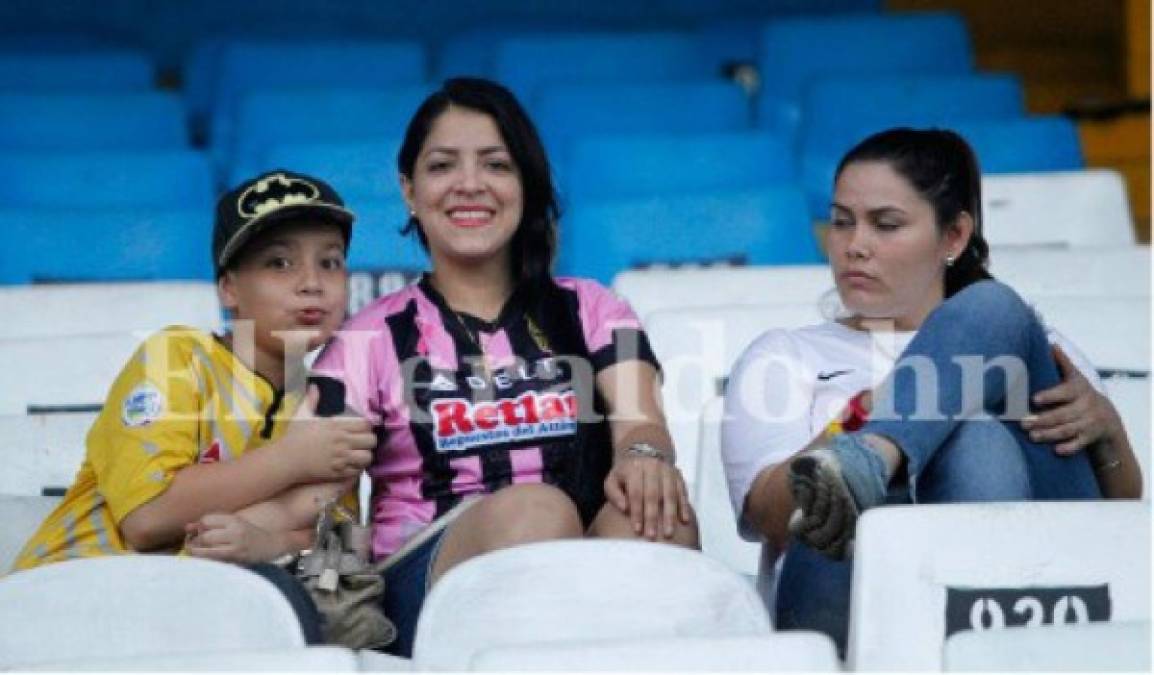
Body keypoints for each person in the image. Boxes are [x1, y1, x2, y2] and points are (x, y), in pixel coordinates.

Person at [310, 77, 700, 657]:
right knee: (534, 510)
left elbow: (642, 423)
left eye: (496, 164)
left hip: (583, 564)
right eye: (443, 166)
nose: (470, 185)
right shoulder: (371, 335)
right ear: (409, 191)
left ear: (526, 184)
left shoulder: (590, 307)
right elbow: (322, 494)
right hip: (429, 587)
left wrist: (644, 457)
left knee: (657, 517)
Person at [721, 127, 1142, 650]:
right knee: (970, 437)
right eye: (842, 222)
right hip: (846, 595)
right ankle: (870, 461)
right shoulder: (784, 355)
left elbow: (1122, 511)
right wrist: (854, 420)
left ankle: (873, 457)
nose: (856, 246)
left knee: (989, 347)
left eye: (886, 225)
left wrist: (1108, 430)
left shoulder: (1028, 343)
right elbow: (767, 515)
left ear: (954, 237)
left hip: (1040, 589)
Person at [11, 169, 377, 641]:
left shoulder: (332, 403)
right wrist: (291, 462)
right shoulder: (177, 359)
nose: (312, 283)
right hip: (67, 603)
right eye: (279, 263)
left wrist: (264, 541)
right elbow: (146, 517)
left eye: (330, 262)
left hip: (206, 619)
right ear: (228, 289)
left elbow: (341, 553)